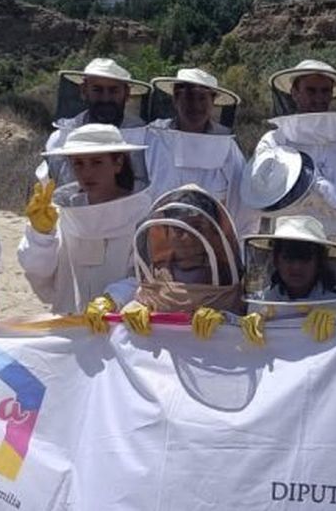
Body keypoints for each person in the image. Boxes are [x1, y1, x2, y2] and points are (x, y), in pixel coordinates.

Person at [19, 123, 151, 328]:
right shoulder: (59, 213)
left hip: (121, 329)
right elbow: (41, 279)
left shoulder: (143, 214)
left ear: (118, 163)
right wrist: (40, 235)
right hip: (68, 327)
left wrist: (114, 298)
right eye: (78, 163)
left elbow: (148, 277)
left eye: (97, 162)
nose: (87, 172)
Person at [250, 60, 336, 273]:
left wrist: (326, 190)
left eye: (325, 91)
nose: (319, 98)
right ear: (294, 92)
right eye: (311, 90)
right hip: (288, 253)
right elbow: (262, 201)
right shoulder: (274, 142)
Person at [121, 185, 245, 340]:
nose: (187, 238)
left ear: (214, 232)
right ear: (166, 233)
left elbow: (251, 320)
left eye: (197, 227)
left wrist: (227, 319)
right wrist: (129, 306)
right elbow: (134, 290)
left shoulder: (228, 275)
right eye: (178, 230)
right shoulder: (156, 274)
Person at [144, 66, 250, 230]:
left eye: (202, 98)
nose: (195, 105)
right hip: (157, 240)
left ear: (213, 102)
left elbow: (241, 206)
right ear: (176, 99)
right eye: (189, 97)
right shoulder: (153, 138)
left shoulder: (228, 148)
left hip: (211, 242)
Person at [241, 213, 336, 345]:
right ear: (276, 260)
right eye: (288, 257)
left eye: (305, 258)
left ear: (319, 262)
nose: (296, 267)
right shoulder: (260, 302)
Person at [38, 58, 151, 185]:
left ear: (127, 93)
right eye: (97, 90)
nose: (105, 99)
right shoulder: (59, 140)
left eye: (113, 90)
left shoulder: (147, 140)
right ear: (84, 90)